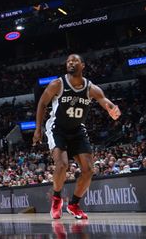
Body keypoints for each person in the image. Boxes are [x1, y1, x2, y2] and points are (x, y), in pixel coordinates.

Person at [33, 53, 121, 220]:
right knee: (62, 165)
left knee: (88, 170)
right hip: (57, 128)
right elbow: (42, 103)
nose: (71, 63)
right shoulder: (57, 84)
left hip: (77, 129)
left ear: (83, 65)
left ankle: (73, 205)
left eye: (75, 61)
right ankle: (57, 199)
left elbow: (104, 100)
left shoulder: (90, 88)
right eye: (68, 61)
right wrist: (38, 129)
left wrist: (112, 108)